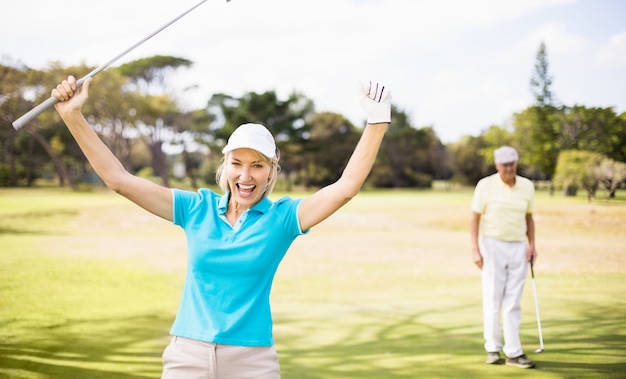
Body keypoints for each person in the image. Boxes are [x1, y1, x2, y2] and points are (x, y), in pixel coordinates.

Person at [51, 75, 391, 379]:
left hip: (252, 361)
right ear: (224, 164)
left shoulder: (283, 219)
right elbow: (118, 180)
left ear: (272, 171)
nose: (246, 176)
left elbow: (345, 187)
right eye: (237, 163)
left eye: (257, 165)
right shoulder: (195, 208)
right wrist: (72, 116)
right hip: (187, 356)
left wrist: (376, 122)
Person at [469, 146, 538, 369]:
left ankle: (513, 351)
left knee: (513, 300)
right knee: (493, 297)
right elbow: (474, 218)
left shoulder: (527, 186)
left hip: (518, 245)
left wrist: (532, 246)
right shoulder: (485, 185)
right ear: (497, 166)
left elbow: (529, 218)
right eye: (504, 165)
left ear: (516, 163)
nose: (509, 168)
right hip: (491, 245)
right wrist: (475, 249)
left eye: (512, 164)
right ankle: (492, 347)